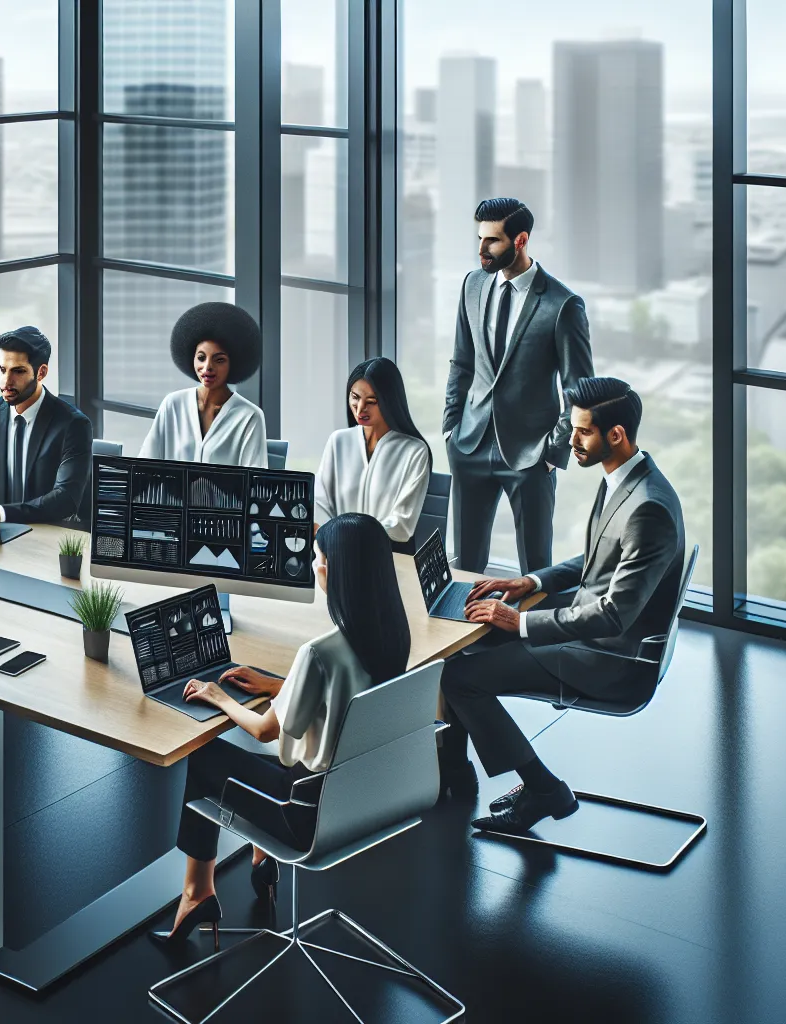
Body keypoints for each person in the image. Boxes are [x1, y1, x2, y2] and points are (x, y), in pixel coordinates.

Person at [441, 378, 687, 832]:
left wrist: (522, 623)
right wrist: (530, 581)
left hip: (610, 657)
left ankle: (542, 788)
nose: (569, 440)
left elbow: (614, 614)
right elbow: (598, 558)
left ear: (616, 434)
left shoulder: (648, 509)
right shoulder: (627, 476)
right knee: (465, 644)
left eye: (582, 432)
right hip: (595, 632)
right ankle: (455, 769)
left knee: (459, 677)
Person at [156, 513, 410, 946]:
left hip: (307, 816)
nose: (314, 564)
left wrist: (218, 695)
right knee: (263, 763)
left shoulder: (319, 653)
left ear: (331, 569)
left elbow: (263, 730)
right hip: (366, 798)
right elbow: (346, 692)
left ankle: (198, 892)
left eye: (316, 557)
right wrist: (283, 684)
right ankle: (260, 860)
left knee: (204, 756)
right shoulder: (391, 636)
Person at [443, 197, 593, 575]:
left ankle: (532, 634)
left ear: (521, 240)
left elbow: (579, 390)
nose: (481, 250)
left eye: (491, 241)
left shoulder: (562, 305)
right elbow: (462, 362)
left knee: (535, 569)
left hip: (530, 456)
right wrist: (450, 428)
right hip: (470, 444)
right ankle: (466, 630)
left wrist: (551, 452)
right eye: (480, 238)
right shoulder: (473, 286)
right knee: (465, 566)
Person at [0, 326, 93, 524]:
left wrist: (3, 513)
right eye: (2, 370)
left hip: (50, 533)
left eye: (17, 371)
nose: (6, 382)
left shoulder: (73, 424)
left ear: (41, 372)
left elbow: (65, 498)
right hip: (2, 531)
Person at [314, 356, 433, 550]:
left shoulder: (415, 451)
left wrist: (345, 534)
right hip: (337, 553)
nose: (360, 409)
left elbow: (402, 526)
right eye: (355, 397)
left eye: (372, 401)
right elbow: (321, 503)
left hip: (388, 558)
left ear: (389, 401)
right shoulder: (338, 441)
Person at [138, 301, 267, 468]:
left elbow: (255, 484)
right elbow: (145, 464)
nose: (207, 367)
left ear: (233, 363)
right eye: (201, 357)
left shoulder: (249, 417)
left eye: (219, 360)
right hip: (170, 495)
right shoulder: (173, 404)